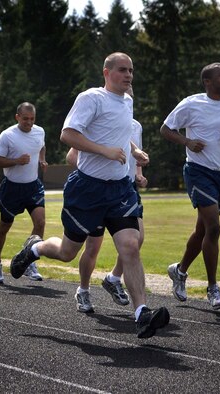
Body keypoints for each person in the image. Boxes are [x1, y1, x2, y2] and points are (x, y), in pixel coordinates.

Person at [9, 52, 169, 339]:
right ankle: (34, 249)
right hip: (87, 189)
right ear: (106, 72)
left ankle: (142, 314)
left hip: (119, 190)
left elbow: (119, 132)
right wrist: (104, 151)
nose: (129, 75)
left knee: (131, 247)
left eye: (131, 70)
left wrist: (133, 150)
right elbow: (68, 134)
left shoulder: (127, 101)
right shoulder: (91, 98)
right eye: (123, 70)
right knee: (67, 252)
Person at [160, 62, 220, 309]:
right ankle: (213, 288)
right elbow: (166, 129)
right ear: (208, 81)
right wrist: (187, 141)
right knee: (214, 228)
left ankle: (179, 271)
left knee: (203, 231)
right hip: (198, 172)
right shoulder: (192, 103)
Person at [67, 87, 146, 313]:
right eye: (124, 75)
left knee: (134, 241)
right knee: (88, 247)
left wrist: (138, 165)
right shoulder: (97, 114)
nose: (128, 90)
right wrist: (101, 156)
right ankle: (83, 289)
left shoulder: (134, 123)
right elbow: (72, 154)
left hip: (123, 190)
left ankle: (125, 292)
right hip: (93, 189)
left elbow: (129, 150)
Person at [0, 102, 48, 284]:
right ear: (17, 117)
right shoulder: (7, 135)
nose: (29, 123)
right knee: (4, 227)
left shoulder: (39, 131)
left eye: (32, 119)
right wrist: (16, 161)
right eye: (25, 119)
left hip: (33, 186)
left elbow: (42, 146)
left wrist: (42, 159)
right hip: (12, 188)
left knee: (40, 223)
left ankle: (28, 260)